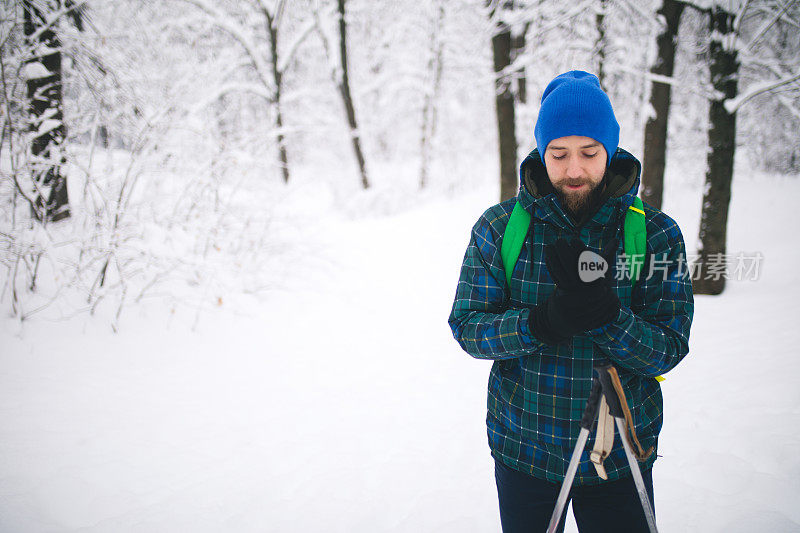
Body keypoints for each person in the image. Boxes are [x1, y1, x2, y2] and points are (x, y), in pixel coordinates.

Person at [448, 71, 694, 532]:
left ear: (612, 150)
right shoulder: (500, 228)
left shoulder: (657, 234)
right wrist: (540, 323)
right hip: (526, 453)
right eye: (559, 154)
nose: (574, 170)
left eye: (589, 153)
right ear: (542, 153)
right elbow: (468, 329)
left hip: (619, 456)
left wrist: (608, 318)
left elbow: (669, 347)